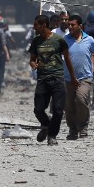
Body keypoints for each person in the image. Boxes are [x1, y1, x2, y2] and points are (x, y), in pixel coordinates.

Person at [29, 15, 79, 145]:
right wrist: (33, 64)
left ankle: (52, 135)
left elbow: (67, 59)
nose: (34, 27)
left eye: (36, 25)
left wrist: (73, 78)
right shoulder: (36, 41)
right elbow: (32, 59)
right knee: (38, 109)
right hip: (43, 79)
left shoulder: (59, 40)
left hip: (57, 78)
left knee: (58, 110)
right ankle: (45, 124)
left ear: (44, 25)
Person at [63, 15, 94, 139]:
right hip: (69, 78)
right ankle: (73, 129)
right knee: (69, 105)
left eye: (72, 25)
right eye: (69, 25)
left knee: (81, 100)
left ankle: (83, 127)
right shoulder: (65, 39)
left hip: (84, 77)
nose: (70, 27)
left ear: (80, 26)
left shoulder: (89, 39)